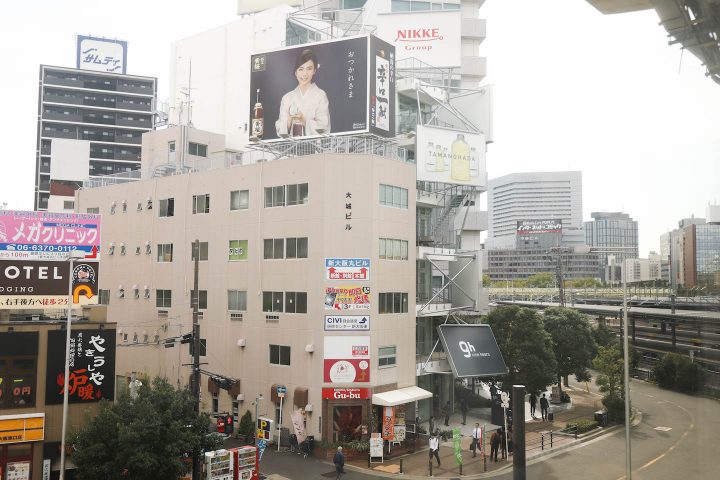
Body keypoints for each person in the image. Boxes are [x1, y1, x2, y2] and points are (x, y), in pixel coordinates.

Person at [276, 49, 331, 137]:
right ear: (296, 72)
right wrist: (290, 120)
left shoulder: (320, 95)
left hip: (314, 149)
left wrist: (304, 120)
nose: (304, 74)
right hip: (291, 149)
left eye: (309, 69)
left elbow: (324, 128)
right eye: (301, 69)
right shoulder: (287, 98)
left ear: (314, 71)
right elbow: (279, 130)